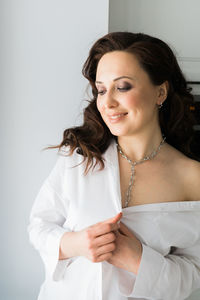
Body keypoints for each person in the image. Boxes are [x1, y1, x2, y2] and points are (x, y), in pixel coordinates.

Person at [28, 32, 200, 300]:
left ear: (160, 92)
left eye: (122, 87)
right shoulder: (78, 158)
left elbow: (193, 276)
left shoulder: (193, 177)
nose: (107, 103)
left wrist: (138, 259)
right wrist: (76, 244)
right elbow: (39, 226)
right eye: (101, 89)